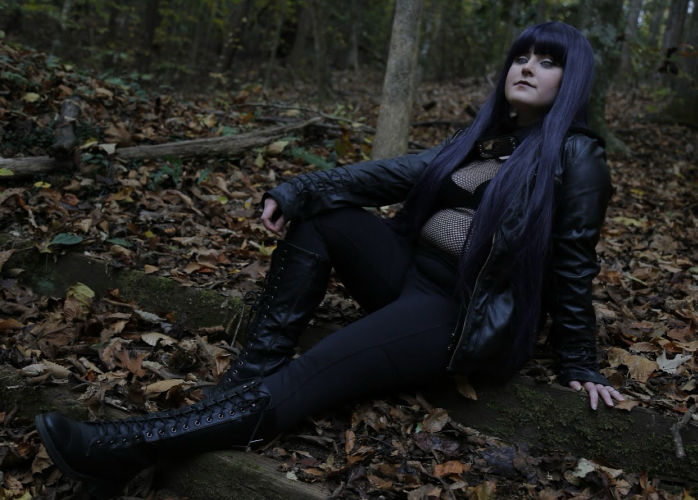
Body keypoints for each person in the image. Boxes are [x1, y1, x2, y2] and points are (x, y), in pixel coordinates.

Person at [35, 21, 625, 499]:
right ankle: (249, 376)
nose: (527, 67)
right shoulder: (484, 139)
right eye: (521, 56)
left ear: (571, 80)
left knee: (312, 372)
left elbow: (575, 261)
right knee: (323, 216)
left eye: (547, 61)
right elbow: (390, 174)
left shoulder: (577, 157)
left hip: (460, 312)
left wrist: (579, 358)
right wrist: (297, 189)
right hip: (412, 275)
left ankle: (118, 450)